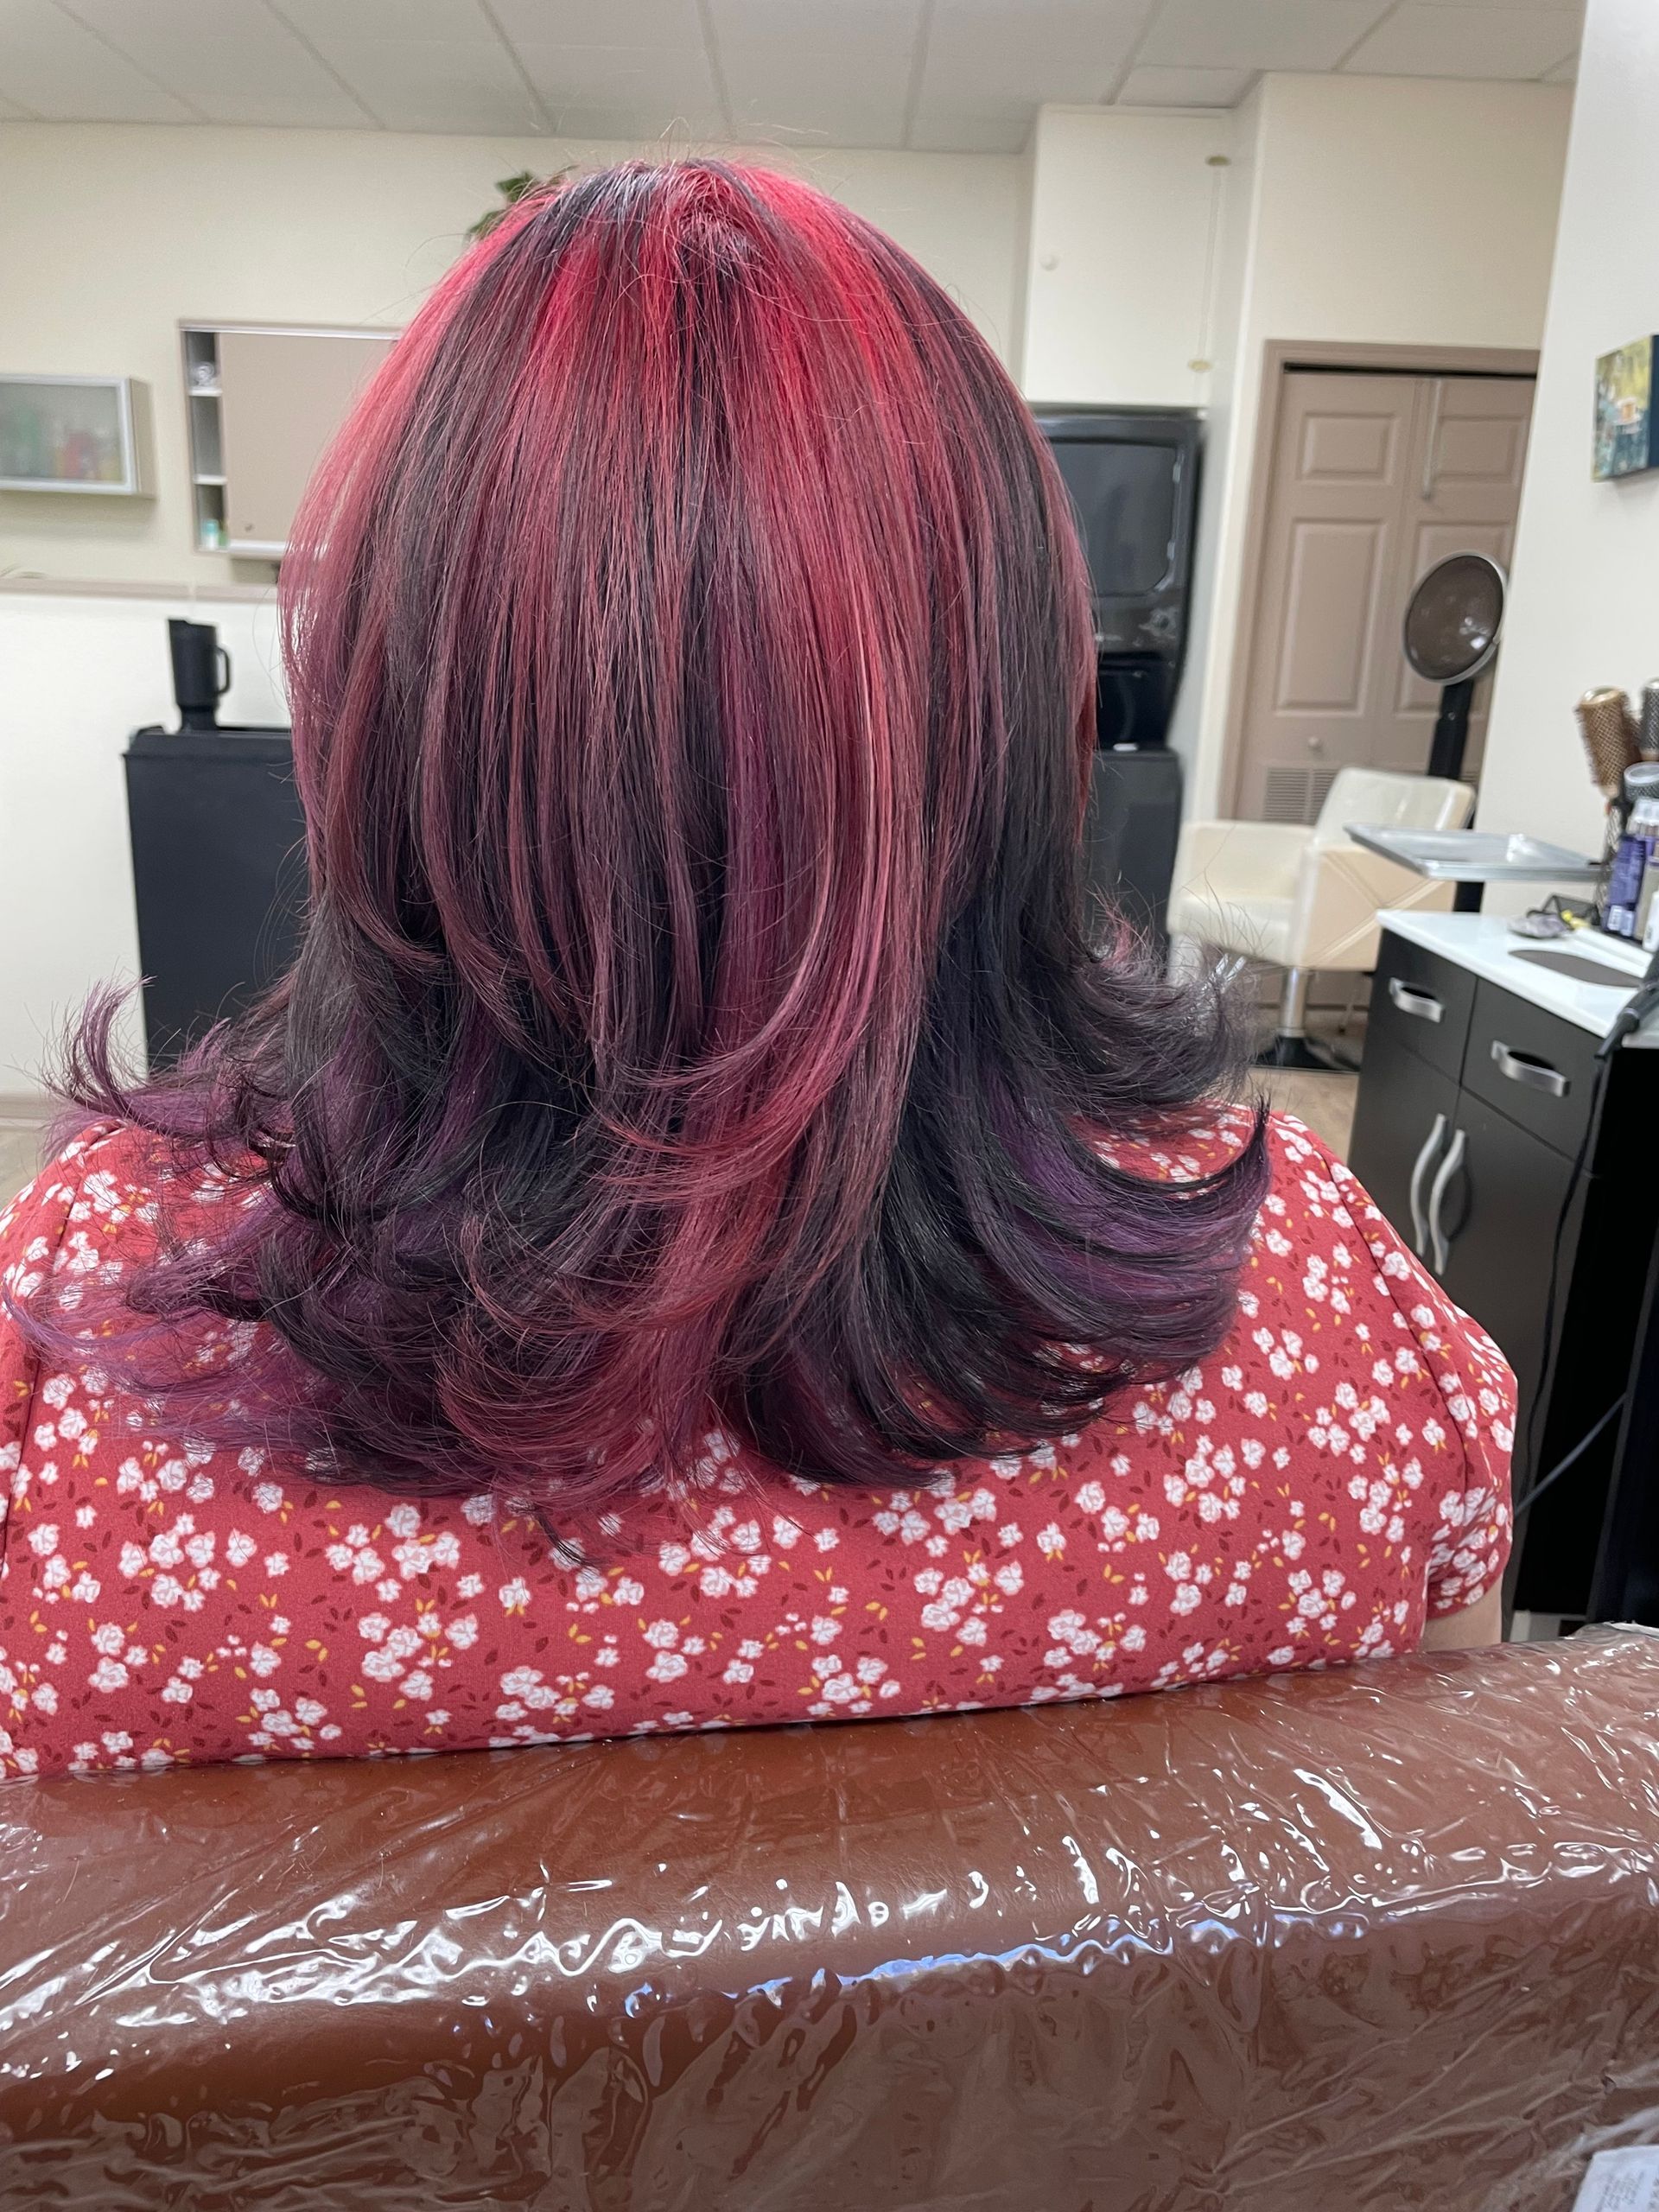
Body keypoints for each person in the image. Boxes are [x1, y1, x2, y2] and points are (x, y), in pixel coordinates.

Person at [0, 162, 1511, 1781]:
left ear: (394, 706)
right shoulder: (1313, 1319)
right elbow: (1442, 1852)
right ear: (1013, 701)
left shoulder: (95, 1362)